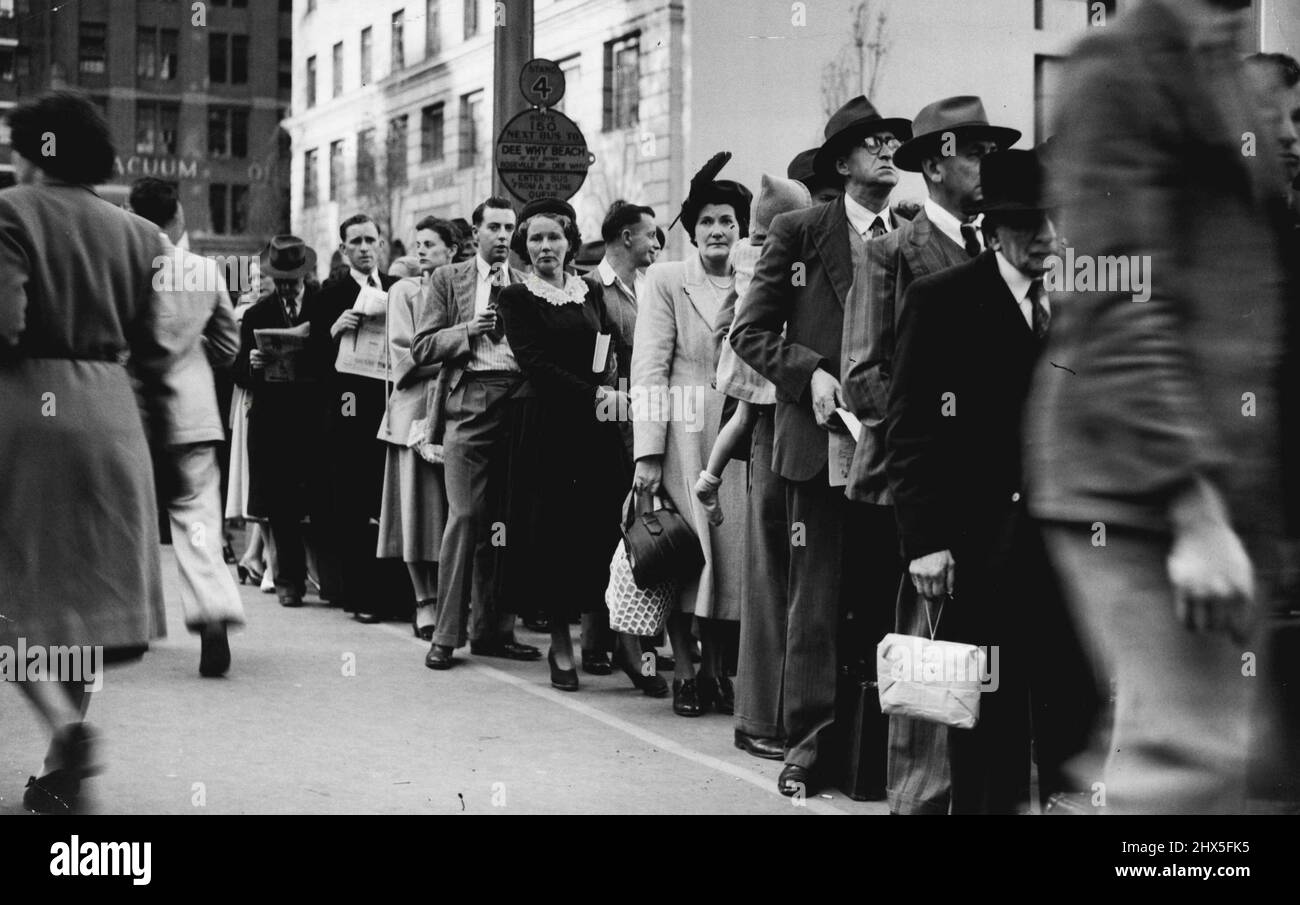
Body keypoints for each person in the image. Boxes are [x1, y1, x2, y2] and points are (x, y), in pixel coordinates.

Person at [1026, 0, 1289, 814]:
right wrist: (1195, 508)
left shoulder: (1223, 66)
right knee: (1188, 764)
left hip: (1207, 476)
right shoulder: (1119, 69)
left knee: (1232, 769)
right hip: (1134, 480)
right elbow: (1113, 304)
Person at [839, 95, 1020, 813]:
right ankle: (919, 797)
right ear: (938, 162)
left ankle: (977, 790)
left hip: (996, 490)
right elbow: (863, 374)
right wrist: (947, 430)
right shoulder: (895, 251)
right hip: (929, 486)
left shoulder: (991, 249)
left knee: (981, 649)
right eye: (975, 153)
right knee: (930, 644)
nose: (987, 167)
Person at [730, 95, 912, 795]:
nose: (890, 152)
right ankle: (805, 745)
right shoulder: (803, 232)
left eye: (895, 142)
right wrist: (809, 374)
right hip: (820, 443)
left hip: (890, 446)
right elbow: (749, 333)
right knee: (816, 600)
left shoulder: (909, 236)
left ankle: (881, 748)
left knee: (880, 595)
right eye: (874, 144)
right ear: (843, 161)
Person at [0, 91, 175, 812]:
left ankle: (67, 728)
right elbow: (158, 350)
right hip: (112, 415)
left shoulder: (11, 210)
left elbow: (5, 324)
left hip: (25, 412)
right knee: (77, 604)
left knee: (16, 595)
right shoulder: (140, 234)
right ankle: (57, 770)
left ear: (33, 150)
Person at [496, 199, 666, 696]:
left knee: (604, 536)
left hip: (594, 430)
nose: (545, 247)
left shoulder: (588, 290)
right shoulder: (516, 299)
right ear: (525, 249)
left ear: (570, 242)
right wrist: (597, 393)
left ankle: (627, 648)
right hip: (545, 427)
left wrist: (610, 384)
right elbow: (535, 365)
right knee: (555, 539)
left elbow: (602, 348)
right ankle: (560, 646)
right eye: (535, 239)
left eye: (553, 237)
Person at [632, 166, 752, 717]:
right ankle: (683, 668)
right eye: (706, 221)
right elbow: (649, 368)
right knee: (685, 551)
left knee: (732, 556)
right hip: (683, 430)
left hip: (738, 430)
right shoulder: (664, 279)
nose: (717, 230)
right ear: (691, 230)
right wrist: (647, 453)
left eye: (728, 220)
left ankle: (717, 669)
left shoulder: (756, 277)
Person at [707, 170, 813, 760]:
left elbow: (728, 329)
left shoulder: (755, 262)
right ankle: (758, 718)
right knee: (773, 573)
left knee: (777, 573)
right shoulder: (771, 262)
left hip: (773, 419)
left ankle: (765, 714)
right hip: (776, 421)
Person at [410, 197, 542, 669]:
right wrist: (467, 329)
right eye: (496, 228)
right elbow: (423, 347)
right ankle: (445, 635)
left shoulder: (526, 284)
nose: (504, 236)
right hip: (468, 402)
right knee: (464, 516)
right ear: (477, 232)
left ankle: (493, 631)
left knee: (503, 523)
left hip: (518, 402)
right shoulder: (449, 278)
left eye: (511, 228)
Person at [128, 177, 246, 678]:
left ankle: (130, 623)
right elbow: (227, 345)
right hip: (192, 411)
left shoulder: (122, 268)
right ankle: (211, 610)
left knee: (128, 519)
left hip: (128, 409)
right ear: (177, 216)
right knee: (197, 518)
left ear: (132, 214)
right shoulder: (203, 270)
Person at [231, 236, 333, 608]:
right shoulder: (258, 314)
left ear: (305, 276)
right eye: (281, 280)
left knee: (321, 499)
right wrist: (253, 364)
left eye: (293, 279)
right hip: (273, 419)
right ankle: (289, 582)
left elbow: (334, 361)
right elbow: (238, 370)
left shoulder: (324, 306)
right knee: (281, 505)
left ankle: (330, 581)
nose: (287, 286)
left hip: (314, 415)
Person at [312, 214, 400, 623]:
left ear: (381, 244)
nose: (365, 248)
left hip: (390, 408)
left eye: (371, 240)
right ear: (344, 248)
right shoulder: (331, 292)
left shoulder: (398, 290)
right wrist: (334, 329)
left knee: (387, 504)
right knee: (352, 506)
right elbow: (311, 361)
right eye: (356, 242)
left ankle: (391, 594)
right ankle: (359, 595)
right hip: (347, 412)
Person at [377, 218, 455, 642]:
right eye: (418, 244)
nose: (421, 251)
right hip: (413, 414)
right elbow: (405, 361)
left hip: (454, 410)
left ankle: (448, 598)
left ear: (452, 250)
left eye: (431, 244)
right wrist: (454, 353)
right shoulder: (404, 292)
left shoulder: (458, 289)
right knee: (414, 511)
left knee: (447, 512)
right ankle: (422, 599)